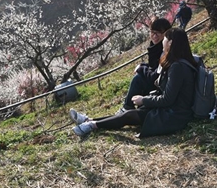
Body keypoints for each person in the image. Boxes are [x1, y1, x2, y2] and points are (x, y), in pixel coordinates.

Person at [69, 28, 197, 138]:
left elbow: (167, 99)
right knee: (128, 114)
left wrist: (144, 100)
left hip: (174, 115)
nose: (163, 40)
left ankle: (92, 125)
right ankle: (88, 121)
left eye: (165, 38)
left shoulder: (177, 67)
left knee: (129, 116)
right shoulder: (180, 63)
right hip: (172, 110)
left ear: (170, 43)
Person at [116, 17, 171, 113]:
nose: (154, 36)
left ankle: (127, 107)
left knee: (138, 78)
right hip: (159, 82)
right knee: (140, 76)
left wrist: (141, 68)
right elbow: (153, 67)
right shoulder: (155, 48)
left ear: (166, 34)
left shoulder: (165, 51)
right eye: (152, 32)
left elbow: (155, 76)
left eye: (158, 33)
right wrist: (142, 65)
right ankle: (128, 106)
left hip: (163, 87)